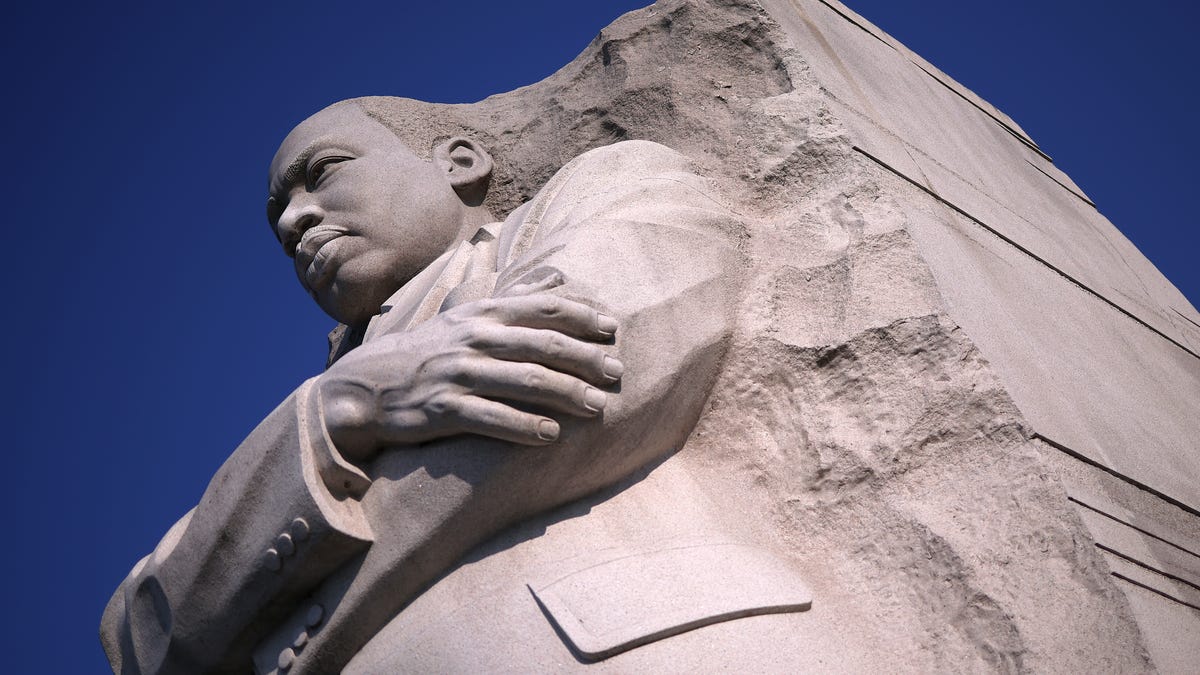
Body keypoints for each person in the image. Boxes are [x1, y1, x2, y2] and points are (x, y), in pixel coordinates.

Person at [101, 99, 745, 673]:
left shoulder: (604, 187)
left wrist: (270, 639)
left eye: (321, 172)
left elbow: (581, 379)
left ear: (459, 162)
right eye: (279, 219)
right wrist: (340, 407)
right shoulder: (320, 402)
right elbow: (142, 638)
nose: (293, 222)